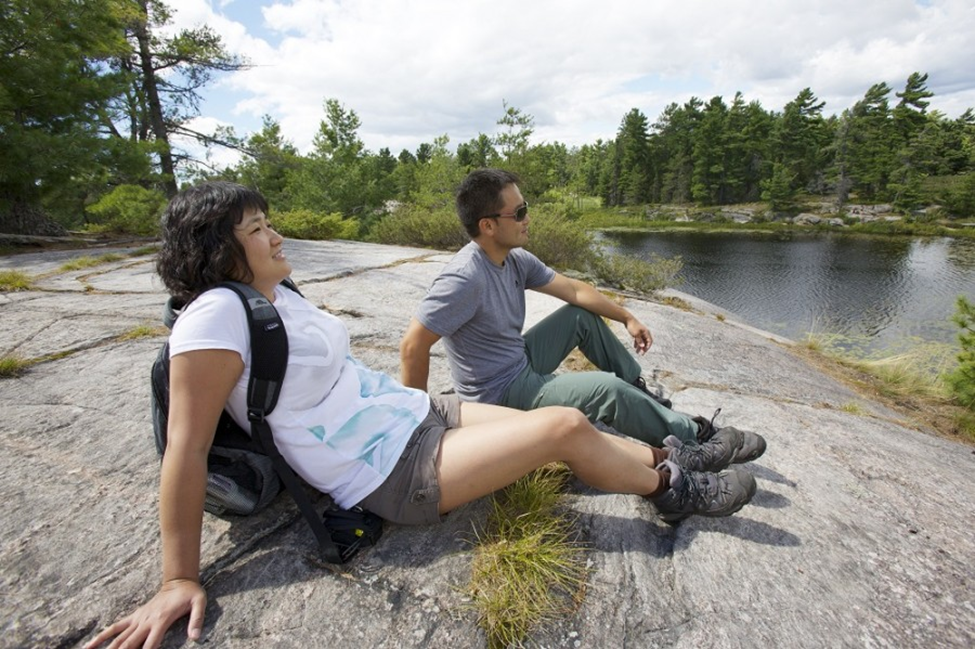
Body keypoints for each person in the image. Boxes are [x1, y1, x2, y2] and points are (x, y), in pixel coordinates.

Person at [86, 182, 757, 649]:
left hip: (416, 414)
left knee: (565, 436)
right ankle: (674, 492)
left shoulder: (274, 293)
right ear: (215, 247)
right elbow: (185, 447)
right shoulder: (214, 316)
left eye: (269, 221)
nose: (276, 233)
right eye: (258, 228)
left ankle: (671, 457)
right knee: (563, 428)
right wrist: (178, 577)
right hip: (388, 469)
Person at [400, 168, 766, 465]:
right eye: (520, 213)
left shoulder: (513, 259)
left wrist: (627, 317)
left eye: (526, 207)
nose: (529, 219)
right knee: (605, 390)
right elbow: (413, 346)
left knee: (580, 316)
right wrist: (418, 428)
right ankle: (694, 438)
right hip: (501, 393)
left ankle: (642, 396)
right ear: (488, 225)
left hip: (518, 361)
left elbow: (574, 290)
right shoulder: (465, 278)